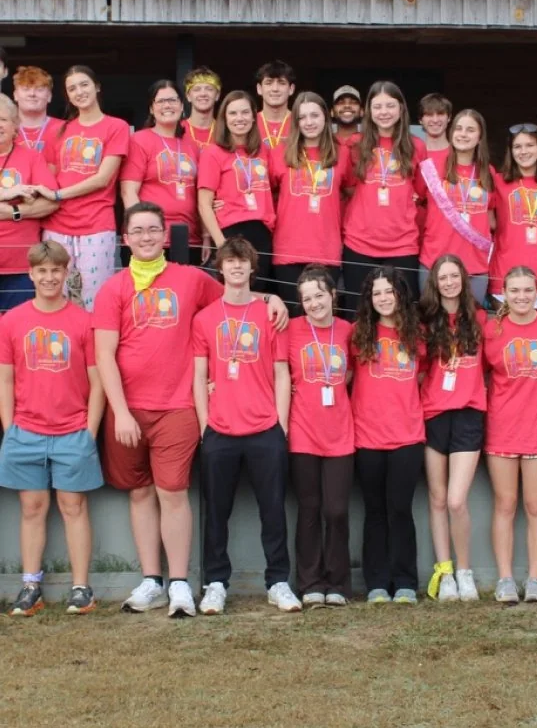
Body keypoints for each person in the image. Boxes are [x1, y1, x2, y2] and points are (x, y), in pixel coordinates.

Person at [94, 203, 287, 619]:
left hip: (177, 405)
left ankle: (180, 582)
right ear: (125, 239)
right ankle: (152, 580)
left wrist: (273, 298)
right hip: (129, 410)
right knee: (140, 492)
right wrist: (121, 412)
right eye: (138, 231)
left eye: (153, 230)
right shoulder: (113, 289)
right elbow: (104, 355)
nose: (146, 237)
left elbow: (238, 300)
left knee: (173, 492)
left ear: (165, 236)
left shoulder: (190, 280)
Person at [193, 236, 301, 615]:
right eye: (230, 262)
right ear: (220, 268)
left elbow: (282, 373)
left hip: (264, 429)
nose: (237, 267)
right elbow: (199, 375)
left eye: (243, 262)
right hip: (220, 431)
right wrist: (206, 425)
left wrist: (281, 426)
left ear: (252, 268)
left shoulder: (271, 314)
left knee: (272, 511)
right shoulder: (205, 318)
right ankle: (216, 583)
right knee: (216, 513)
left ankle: (279, 582)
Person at [0, 240, 104, 616]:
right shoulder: (11, 321)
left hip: (73, 430)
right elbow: (6, 381)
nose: (48, 277)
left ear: (66, 273)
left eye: (55, 271)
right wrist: (11, 428)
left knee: (73, 506)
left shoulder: (83, 321)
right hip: (25, 431)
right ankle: (31, 586)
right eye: (41, 271)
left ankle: (82, 588)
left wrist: (89, 431)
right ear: (30, 274)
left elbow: (97, 381)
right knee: (31, 508)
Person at [484, 266, 537, 604]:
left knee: (536, 506)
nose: (521, 297)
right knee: (505, 504)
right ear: (504, 294)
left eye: (527, 290)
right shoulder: (493, 329)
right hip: (502, 427)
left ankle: (534, 580)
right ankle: (505, 579)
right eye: (514, 290)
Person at [351, 267, 425, 605]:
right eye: (376, 292)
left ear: (400, 295)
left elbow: (424, 380)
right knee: (375, 512)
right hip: (367, 436)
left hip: (407, 437)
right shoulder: (357, 335)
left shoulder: (417, 335)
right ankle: (377, 584)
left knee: (400, 510)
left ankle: (406, 582)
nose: (383, 298)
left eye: (389, 291)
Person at [34, 65, 130, 310]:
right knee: (54, 295)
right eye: (72, 88)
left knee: (96, 300)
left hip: (96, 223)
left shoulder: (116, 127)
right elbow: (50, 176)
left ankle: (95, 349)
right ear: (67, 96)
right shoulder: (59, 130)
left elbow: (103, 178)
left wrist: (58, 195)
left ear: (97, 86)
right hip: (57, 224)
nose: (79, 91)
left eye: (84, 84)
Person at [419, 255, 486, 602]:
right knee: (437, 498)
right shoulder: (425, 321)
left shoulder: (481, 318)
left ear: (463, 279)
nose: (449, 282)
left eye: (454, 276)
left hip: (468, 413)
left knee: (457, 500)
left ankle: (465, 571)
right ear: (435, 282)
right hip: (433, 414)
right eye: (442, 277)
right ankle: (444, 573)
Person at [288, 266, 354, 607]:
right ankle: (310, 581)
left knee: (337, 510)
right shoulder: (291, 331)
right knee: (309, 509)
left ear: (333, 295)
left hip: (341, 433)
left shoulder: (347, 331)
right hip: (303, 432)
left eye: (319, 295)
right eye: (307, 298)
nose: (314, 303)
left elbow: (356, 371)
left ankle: (338, 582)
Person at [342, 81, 427, 308]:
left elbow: (420, 191)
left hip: (402, 244)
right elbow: (348, 187)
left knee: (404, 315)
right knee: (359, 314)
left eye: (390, 106)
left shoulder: (417, 146)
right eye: (377, 106)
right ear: (368, 110)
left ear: (401, 109)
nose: (384, 112)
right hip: (359, 244)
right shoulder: (355, 144)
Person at [270, 91, 352, 312]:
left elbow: (354, 193)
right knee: (294, 320)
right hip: (288, 251)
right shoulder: (280, 153)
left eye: (314, 115)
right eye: (302, 117)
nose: (309, 122)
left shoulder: (342, 154)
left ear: (326, 117)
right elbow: (265, 193)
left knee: (324, 320)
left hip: (327, 251)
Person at [120, 80, 207, 264]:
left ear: (182, 106)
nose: (167, 105)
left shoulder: (192, 145)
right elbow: (128, 192)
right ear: (151, 109)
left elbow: (201, 196)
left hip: (189, 238)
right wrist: (142, 232)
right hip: (150, 239)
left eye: (173, 100)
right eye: (160, 101)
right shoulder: (139, 140)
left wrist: (206, 235)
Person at [198, 90, 275, 291]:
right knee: (233, 294)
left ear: (253, 116)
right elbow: (204, 204)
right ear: (224, 118)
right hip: (230, 232)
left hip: (262, 232)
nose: (239, 118)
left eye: (244, 112)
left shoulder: (264, 151)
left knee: (258, 293)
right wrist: (221, 243)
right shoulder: (213, 152)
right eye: (232, 113)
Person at [419, 109, 495, 307]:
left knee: (470, 329)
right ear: (451, 133)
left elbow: (492, 218)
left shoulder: (490, 173)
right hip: (434, 260)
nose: (463, 134)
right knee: (432, 327)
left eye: (470, 130)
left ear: (480, 137)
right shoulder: (430, 167)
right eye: (459, 129)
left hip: (474, 266)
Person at [489, 124, 537, 310]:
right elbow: (489, 222)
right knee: (508, 337)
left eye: (530, 145)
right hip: (505, 274)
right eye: (517, 146)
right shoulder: (498, 181)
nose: (524, 151)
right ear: (510, 151)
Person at [0, 94, 59, 312]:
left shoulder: (31, 157)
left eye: (3, 120)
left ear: (15, 125)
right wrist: (6, 193)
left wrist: (13, 211)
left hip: (21, 266)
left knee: (17, 330)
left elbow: (51, 203)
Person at [13, 65, 62, 160]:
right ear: (15, 95)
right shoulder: (4, 129)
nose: (32, 94)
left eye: (39, 89)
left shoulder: (64, 129)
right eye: (26, 89)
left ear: (49, 96)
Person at [255, 60, 295, 149]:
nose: (275, 89)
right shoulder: (249, 123)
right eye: (269, 83)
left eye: (282, 83)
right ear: (259, 88)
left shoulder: (300, 123)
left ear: (291, 89)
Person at [183, 66, 221, 152]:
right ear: (188, 96)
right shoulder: (177, 130)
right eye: (197, 89)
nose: (203, 93)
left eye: (209, 89)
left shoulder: (225, 131)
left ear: (217, 95)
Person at [418, 92, 452, 166]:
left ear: (449, 117)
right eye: (429, 114)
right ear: (420, 120)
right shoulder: (413, 154)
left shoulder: (458, 153)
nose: (435, 120)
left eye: (440, 114)